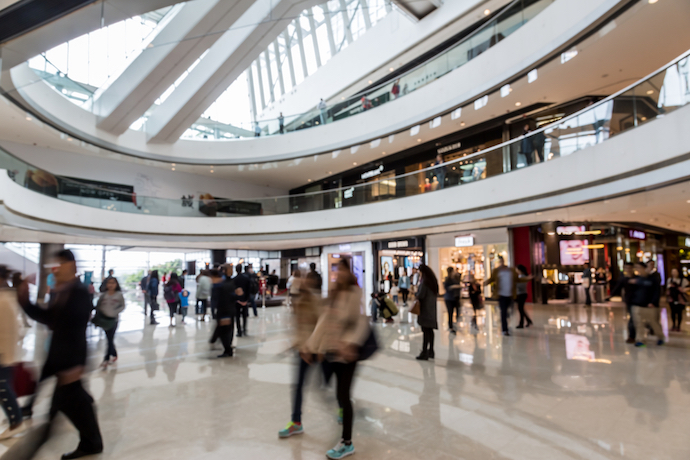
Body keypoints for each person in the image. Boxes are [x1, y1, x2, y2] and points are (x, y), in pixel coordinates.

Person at [17, 249, 104, 459]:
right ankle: (90, 440)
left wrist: (74, 366)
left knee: (63, 404)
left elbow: (73, 326)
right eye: (54, 267)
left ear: (72, 266)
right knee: (67, 402)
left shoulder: (80, 293)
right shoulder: (61, 291)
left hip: (70, 361)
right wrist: (25, 301)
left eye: (59, 266)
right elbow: (48, 318)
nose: (55, 271)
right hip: (58, 357)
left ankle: (90, 443)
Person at [302, 259, 368, 459]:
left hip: (347, 354)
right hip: (330, 350)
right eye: (336, 270)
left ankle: (347, 442)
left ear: (349, 272)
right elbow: (324, 321)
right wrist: (310, 345)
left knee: (343, 396)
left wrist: (350, 343)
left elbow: (360, 322)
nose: (338, 274)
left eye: (341, 270)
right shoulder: (333, 293)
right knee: (334, 392)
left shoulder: (355, 293)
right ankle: (345, 437)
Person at [278, 274, 323, 438]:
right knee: (298, 386)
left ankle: (342, 408)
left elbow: (321, 326)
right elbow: (297, 326)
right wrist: (296, 344)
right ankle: (296, 422)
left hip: (318, 349)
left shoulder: (317, 301)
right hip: (303, 350)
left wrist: (312, 348)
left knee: (325, 386)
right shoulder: (298, 301)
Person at [0, 265, 26, 440]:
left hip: (2, 353)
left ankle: (16, 420)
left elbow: (10, 330)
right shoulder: (6, 296)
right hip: (5, 352)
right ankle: (14, 416)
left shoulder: (3, 299)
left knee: (3, 387)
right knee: (4, 386)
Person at [628, 261, 663, 347]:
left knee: (654, 323)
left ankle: (660, 337)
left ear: (644, 268)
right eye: (636, 268)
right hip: (637, 305)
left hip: (650, 306)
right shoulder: (635, 279)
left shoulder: (652, 279)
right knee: (638, 324)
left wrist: (653, 302)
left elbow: (657, 292)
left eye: (639, 267)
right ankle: (640, 340)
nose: (637, 270)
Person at [484, 257, 519, 336]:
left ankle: (507, 326)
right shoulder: (497, 271)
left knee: (509, 312)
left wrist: (527, 278)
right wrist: (484, 283)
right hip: (501, 295)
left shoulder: (511, 270)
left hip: (510, 295)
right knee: (503, 312)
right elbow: (491, 279)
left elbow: (517, 279)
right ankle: (504, 329)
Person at [95, 277, 125, 369]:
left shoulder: (119, 295)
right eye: (109, 283)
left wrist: (115, 312)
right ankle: (114, 354)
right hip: (104, 320)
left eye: (113, 283)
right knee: (109, 339)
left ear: (116, 284)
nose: (111, 285)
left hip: (113, 320)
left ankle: (106, 359)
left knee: (109, 339)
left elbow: (123, 306)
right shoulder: (103, 295)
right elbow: (98, 306)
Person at [209, 269, 239, 358]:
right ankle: (222, 346)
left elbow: (222, 300)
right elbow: (233, 297)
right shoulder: (226, 284)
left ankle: (227, 350)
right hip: (228, 311)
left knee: (224, 332)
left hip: (224, 312)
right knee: (225, 331)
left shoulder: (219, 286)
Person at [416, 264, 439, 360]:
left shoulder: (424, 283)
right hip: (431, 310)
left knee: (425, 331)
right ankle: (431, 351)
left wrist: (415, 292)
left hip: (424, 309)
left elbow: (420, 295)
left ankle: (424, 352)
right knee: (430, 331)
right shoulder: (433, 282)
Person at [609, 263, 636, 342]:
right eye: (627, 268)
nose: (628, 270)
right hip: (630, 301)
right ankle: (632, 336)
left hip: (639, 301)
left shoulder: (637, 278)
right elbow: (617, 288)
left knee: (636, 318)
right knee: (632, 318)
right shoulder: (623, 279)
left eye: (630, 268)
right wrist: (610, 296)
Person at [233, 265, 250, 337]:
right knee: (244, 316)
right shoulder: (246, 279)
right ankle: (245, 329)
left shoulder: (234, 279)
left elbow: (233, 291)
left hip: (237, 300)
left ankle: (239, 331)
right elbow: (248, 290)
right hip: (245, 300)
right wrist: (246, 300)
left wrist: (236, 299)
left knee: (237, 316)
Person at [443, 267, 461, 334]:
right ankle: (451, 327)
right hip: (449, 298)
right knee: (450, 313)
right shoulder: (447, 279)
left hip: (455, 297)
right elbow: (447, 288)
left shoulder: (455, 278)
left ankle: (455, 324)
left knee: (457, 311)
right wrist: (453, 287)